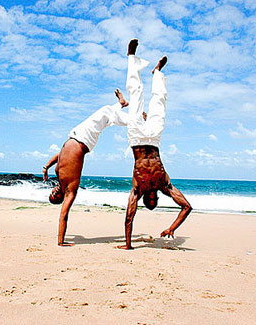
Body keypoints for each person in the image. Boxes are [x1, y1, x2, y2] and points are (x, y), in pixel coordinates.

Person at [118, 39, 192, 250]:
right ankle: (157, 73)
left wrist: (129, 245)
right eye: (154, 202)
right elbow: (187, 207)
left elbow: (129, 216)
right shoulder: (164, 185)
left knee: (137, 94)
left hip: (136, 138)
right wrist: (172, 228)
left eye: (148, 203)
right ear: (157, 199)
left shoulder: (137, 189)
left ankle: (131, 57)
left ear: (145, 200)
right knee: (160, 103)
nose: (151, 200)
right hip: (154, 139)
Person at [43, 86, 130, 246]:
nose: (54, 192)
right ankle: (135, 119)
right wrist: (61, 241)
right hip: (84, 141)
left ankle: (121, 105)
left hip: (76, 136)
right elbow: (63, 215)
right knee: (104, 114)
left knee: (104, 116)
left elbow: (60, 155)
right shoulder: (70, 190)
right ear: (60, 197)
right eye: (55, 197)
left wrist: (46, 167)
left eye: (51, 193)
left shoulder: (58, 175)